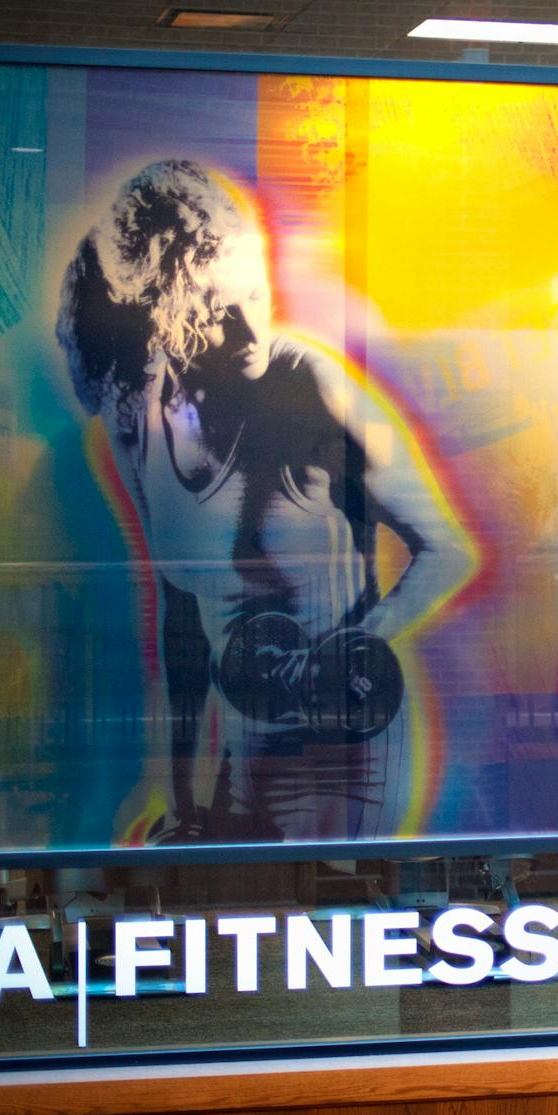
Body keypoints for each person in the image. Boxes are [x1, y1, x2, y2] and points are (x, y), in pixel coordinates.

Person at [57, 159, 474, 842]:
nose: (252, 330)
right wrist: (180, 787)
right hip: (240, 751)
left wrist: (352, 646)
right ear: (166, 325)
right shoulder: (136, 422)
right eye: (220, 315)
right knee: (254, 924)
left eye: (257, 291)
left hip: (347, 742)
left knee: (313, 917)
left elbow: (446, 549)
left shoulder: (310, 383)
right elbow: (181, 618)